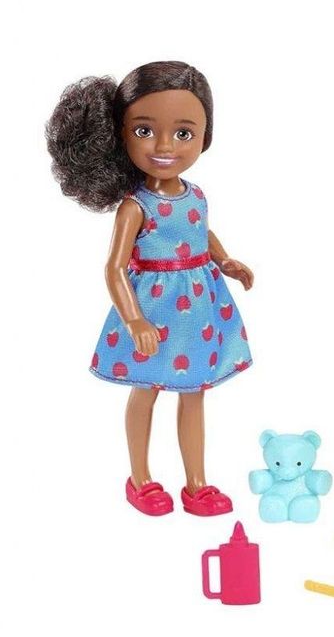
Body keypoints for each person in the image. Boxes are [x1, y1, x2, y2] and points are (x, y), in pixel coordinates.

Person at [46, 61, 254, 516]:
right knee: (147, 390)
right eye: (144, 131)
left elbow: (199, 232)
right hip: (154, 313)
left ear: (205, 136)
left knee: (194, 392)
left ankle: (196, 482)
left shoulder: (196, 194)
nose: (164, 146)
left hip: (198, 311)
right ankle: (140, 477)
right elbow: (114, 268)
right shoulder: (135, 206)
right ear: (119, 134)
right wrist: (134, 319)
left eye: (183, 133)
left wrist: (224, 260)